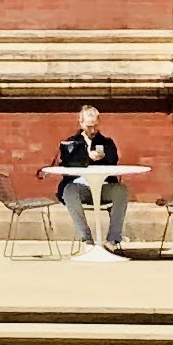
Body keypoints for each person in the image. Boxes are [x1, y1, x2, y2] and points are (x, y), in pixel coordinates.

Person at [54, 105, 126, 251]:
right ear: (81, 124)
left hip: (103, 188)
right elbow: (67, 164)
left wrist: (103, 157)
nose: (92, 130)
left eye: (95, 126)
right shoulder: (72, 143)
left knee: (121, 191)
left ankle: (113, 239)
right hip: (81, 188)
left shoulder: (107, 143)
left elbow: (113, 161)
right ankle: (86, 239)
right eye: (89, 127)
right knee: (68, 192)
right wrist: (87, 157)